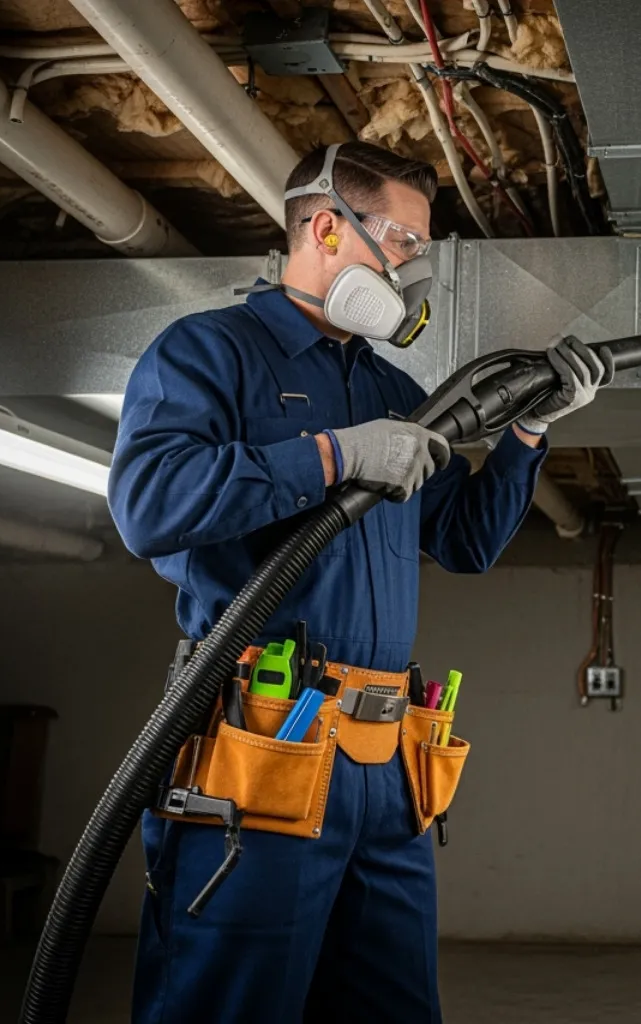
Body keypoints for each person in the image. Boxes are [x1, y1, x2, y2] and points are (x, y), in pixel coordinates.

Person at [108, 141, 608, 1023]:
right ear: (327, 226)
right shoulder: (209, 352)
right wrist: (331, 456)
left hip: (384, 760)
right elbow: (149, 503)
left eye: (421, 249)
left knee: (393, 1008)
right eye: (403, 243)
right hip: (261, 743)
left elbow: (464, 541)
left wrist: (528, 436)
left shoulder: (388, 384)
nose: (413, 269)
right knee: (231, 1006)